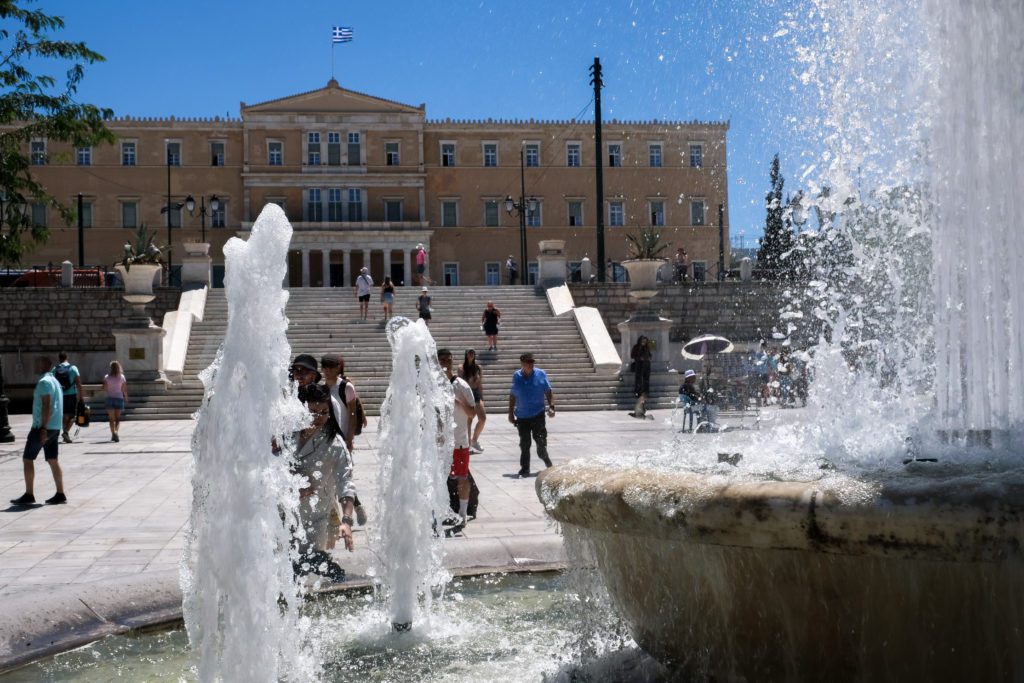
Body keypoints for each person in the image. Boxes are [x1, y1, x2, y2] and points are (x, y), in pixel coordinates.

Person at [291, 384, 355, 583]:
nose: (318, 417)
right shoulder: (285, 434)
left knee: (300, 565)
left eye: (323, 413)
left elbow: (346, 481)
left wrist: (346, 521)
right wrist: (292, 481)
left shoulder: (334, 444)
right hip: (282, 516)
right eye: (312, 411)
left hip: (314, 519)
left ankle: (337, 576)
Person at [10, 356, 66, 506]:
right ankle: (60, 493)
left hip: (42, 427)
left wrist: (43, 428)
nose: (35, 365)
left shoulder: (43, 382)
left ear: (43, 365)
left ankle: (29, 494)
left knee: (28, 459)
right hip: (55, 427)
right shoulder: (55, 381)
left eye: (37, 363)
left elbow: (47, 405)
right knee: (53, 460)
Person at [438, 349, 477, 525]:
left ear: (453, 362)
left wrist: (457, 400)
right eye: (442, 360)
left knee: (462, 477)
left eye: (448, 359)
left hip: (459, 441)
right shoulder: (433, 385)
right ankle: (440, 512)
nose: (445, 363)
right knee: (437, 479)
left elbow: (472, 413)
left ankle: (463, 513)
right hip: (438, 443)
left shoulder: (461, 385)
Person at [508, 352, 555, 478]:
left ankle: (547, 462)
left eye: (532, 362)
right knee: (524, 443)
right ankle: (525, 468)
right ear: (522, 363)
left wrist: (551, 407)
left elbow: (548, 391)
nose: (531, 364)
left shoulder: (541, 374)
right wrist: (510, 413)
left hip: (538, 414)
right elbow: (513, 394)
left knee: (540, 441)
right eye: (528, 362)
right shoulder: (517, 376)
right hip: (522, 416)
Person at [459, 349, 486, 453]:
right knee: (469, 420)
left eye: (473, 353)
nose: (471, 355)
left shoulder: (478, 368)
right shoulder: (461, 368)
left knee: (482, 418)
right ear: (466, 355)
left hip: (476, 393)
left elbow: (480, 384)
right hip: (467, 393)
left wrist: (482, 397)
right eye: (469, 353)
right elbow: (461, 382)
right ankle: (468, 445)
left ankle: (474, 440)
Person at [52, 352, 82, 444]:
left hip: (60, 395)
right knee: (73, 415)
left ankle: (65, 434)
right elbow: (78, 384)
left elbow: (52, 384)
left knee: (64, 415)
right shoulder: (73, 368)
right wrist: (81, 397)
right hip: (71, 394)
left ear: (59, 358)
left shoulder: (54, 369)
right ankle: (66, 432)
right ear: (67, 358)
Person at [103, 360, 128, 442]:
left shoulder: (107, 377)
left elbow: (105, 389)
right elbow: (124, 389)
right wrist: (126, 398)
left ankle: (113, 433)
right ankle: (116, 432)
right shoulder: (122, 377)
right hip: (119, 398)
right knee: (117, 419)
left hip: (110, 398)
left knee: (111, 419)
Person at [630, 336, 653, 418]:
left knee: (645, 388)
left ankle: (642, 408)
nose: (644, 342)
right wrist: (639, 358)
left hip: (646, 368)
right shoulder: (637, 347)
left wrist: (648, 358)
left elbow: (650, 355)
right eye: (643, 341)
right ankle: (640, 408)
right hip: (639, 367)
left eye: (645, 341)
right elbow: (632, 356)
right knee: (639, 387)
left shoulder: (647, 348)